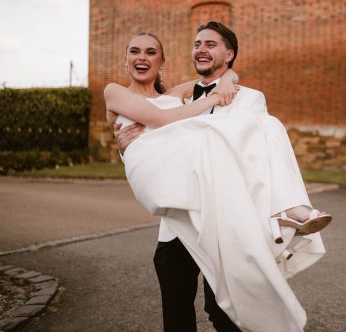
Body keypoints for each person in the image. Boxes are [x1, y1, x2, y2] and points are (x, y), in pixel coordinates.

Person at [107, 23, 332, 332]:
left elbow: (252, 156)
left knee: (224, 309)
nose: (201, 49)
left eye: (210, 44)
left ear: (229, 54)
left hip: (221, 215)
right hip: (176, 218)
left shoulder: (246, 98)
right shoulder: (182, 100)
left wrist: (229, 77)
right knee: (176, 308)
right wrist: (124, 145)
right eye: (197, 43)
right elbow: (158, 127)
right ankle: (289, 209)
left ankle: (289, 207)